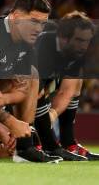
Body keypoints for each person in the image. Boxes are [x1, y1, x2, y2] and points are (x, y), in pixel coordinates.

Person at [0, 0, 61, 163]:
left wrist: (5, 98)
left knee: (32, 75)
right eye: (34, 22)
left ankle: (24, 146)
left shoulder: (26, 40)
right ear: (16, 16)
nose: (39, 29)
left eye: (43, 24)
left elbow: (23, 89)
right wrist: (11, 123)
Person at [33, 11, 96, 160]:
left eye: (87, 41)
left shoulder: (76, 54)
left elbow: (67, 91)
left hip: (40, 97)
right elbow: (33, 92)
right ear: (63, 38)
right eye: (79, 40)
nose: (84, 46)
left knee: (77, 81)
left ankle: (68, 143)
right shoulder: (43, 47)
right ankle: (44, 144)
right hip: (12, 97)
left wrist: (52, 114)